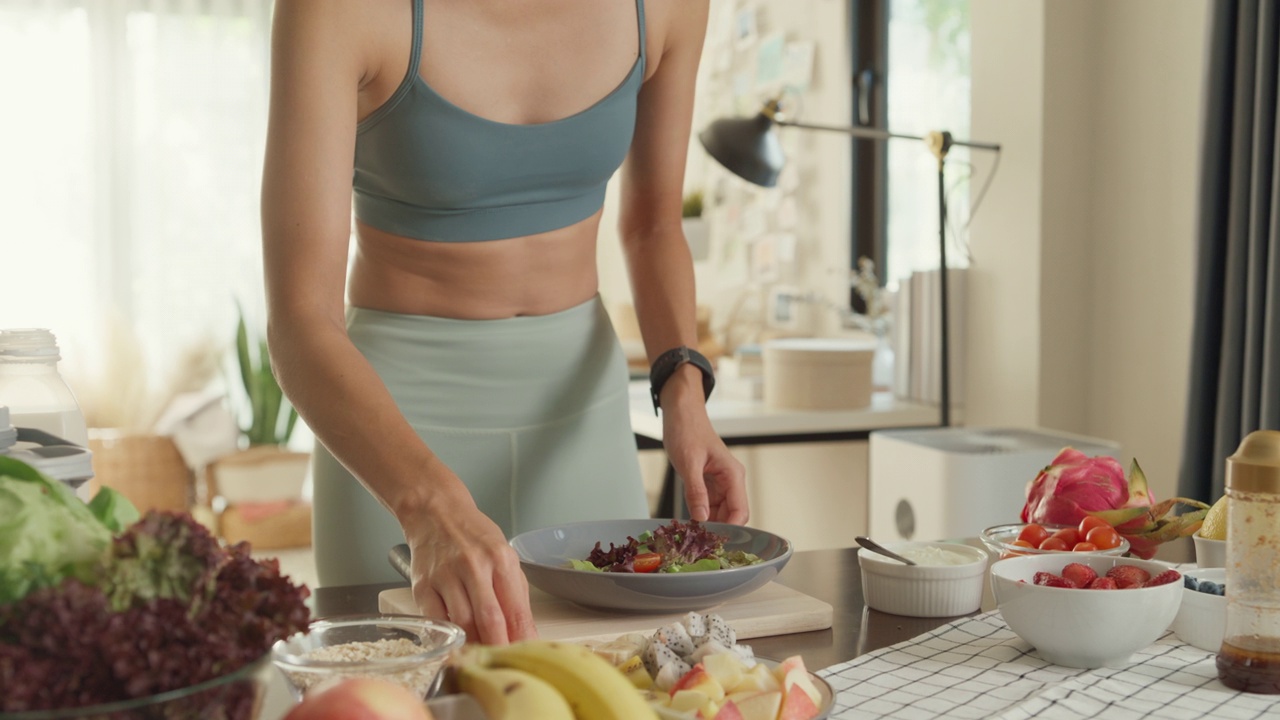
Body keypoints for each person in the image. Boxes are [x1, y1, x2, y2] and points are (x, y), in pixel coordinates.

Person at [260, 0, 749, 645]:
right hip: (396, 433)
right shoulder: (337, 10)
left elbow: (655, 224)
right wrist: (428, 506)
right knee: (402, 700)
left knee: (615, 691)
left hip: (581, 418)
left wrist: (683, 387)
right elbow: (300, 320)